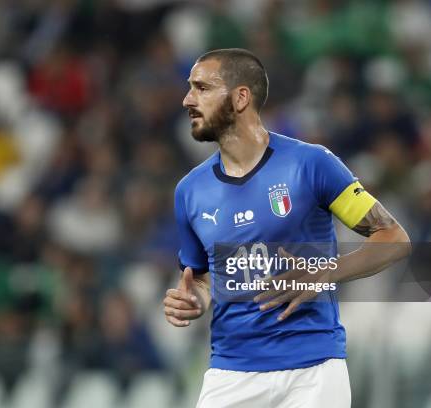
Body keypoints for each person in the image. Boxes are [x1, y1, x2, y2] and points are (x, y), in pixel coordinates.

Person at [163, 48, 411, 408]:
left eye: (201, 88)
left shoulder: (311, 165)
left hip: (313, 370)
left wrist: (320, 274)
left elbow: (394, 238)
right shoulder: (190, 191)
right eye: (189, 88)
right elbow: (202, 278)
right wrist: (193, 300)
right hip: (231, 372)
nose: (187, 99)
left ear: (240, 97)